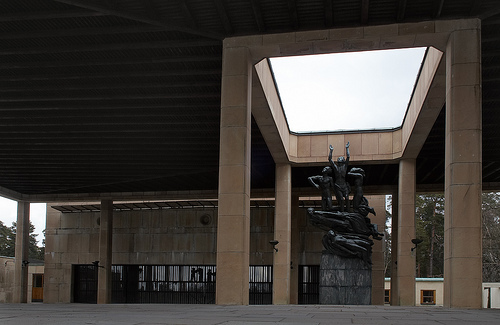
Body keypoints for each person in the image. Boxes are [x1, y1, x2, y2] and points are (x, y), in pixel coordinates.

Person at [328, 142, 350, 212]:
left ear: (343, 161)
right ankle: (342, 212)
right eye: (339, 159)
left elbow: (348, 157)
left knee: (347, 198)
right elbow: (330, 160)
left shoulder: (345, 166)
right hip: (338, 185)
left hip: (344, 185)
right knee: (341, 199)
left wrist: (347, 148)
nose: (339, 159)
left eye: (341, 158)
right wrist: (331, 151)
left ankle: (348, 211)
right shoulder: (336, 168)